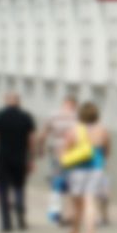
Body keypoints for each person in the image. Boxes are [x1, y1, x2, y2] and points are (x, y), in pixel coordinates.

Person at [0, 91, 37, 232]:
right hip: (20, 159)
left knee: (2, 190)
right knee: (19, 188)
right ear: (18, 102)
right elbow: (31, 140)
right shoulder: (26, 117)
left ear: (6, 101)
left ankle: (6, 224)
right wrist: (31, 159)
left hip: (2, 159)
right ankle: (20, 216)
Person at [61, 101, 110, 233]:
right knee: (90, 201)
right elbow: (107, 151)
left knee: (77, 204)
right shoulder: (103, 131)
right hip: (96, 169)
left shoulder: (74, 130)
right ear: (97, 115)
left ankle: (76, 232)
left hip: (77, 170)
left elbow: (65, 151)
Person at [40, 94, 78, 224]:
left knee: (56, 183)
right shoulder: (77, 116)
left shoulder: (53, 115)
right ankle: (70, 214)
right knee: (71, 184)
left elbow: (44, 133)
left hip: (56, 151)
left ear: (64, 103)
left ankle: (55, 212)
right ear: (74, 105)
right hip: (73, 154)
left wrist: (40, 148)